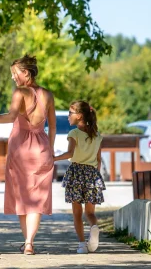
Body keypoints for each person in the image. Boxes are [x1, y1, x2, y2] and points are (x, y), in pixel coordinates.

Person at [0, 54, 55, 255]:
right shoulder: (48, 95)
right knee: (37, 197)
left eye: (15, 74)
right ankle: (29, 242)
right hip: (41, 147)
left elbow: (10, 116)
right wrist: (50, 150)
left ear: (26, 73)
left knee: (22, 196)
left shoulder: (20, 93)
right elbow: (51, 127)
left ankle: (27, 242)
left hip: (21, 148)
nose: (13, 78)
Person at [54, 100, 105, 254]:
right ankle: (94, 227)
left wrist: (53, 159)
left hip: (76, 173)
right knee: (90, 213)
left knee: (77, 213)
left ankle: (82, 244)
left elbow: (70, 154)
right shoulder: (96, 135)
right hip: (92, 174)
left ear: (79, 116)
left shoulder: (74, 133)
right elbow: (98, 160)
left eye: (70, 113)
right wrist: (95, 175)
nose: (68, 116)